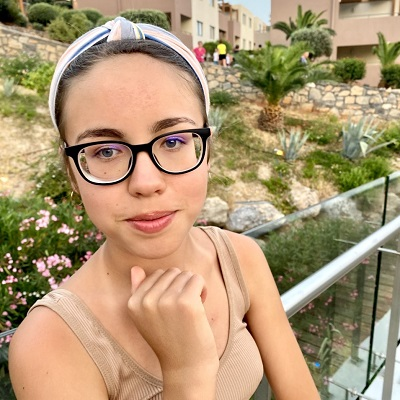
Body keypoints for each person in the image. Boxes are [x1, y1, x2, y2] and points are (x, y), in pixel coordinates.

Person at [8, 17, 320, 400]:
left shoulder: (240, 259)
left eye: (173, 141)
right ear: (73, 173)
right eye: (105, 151)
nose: (145, 182)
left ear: (206, 153)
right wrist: (187, 372)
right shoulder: (50, 342)